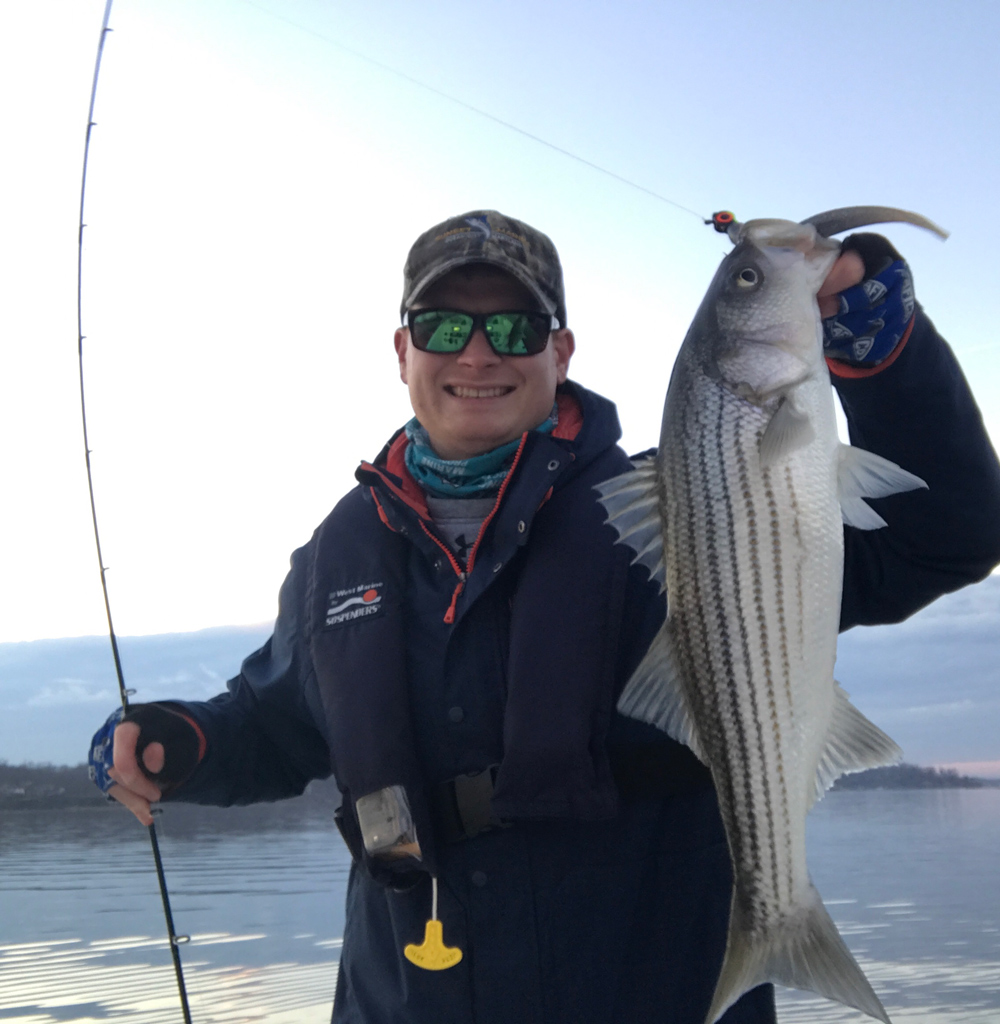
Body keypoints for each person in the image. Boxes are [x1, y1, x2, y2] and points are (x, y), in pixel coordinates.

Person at [89, 210, 1000, 1024]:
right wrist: (180, 740)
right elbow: (279, 726)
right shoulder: (340, 550)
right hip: (407, 990)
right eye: (443, 325)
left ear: (560, 353)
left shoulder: (685, 505)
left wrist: (887, 362)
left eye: (513, 327)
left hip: (648, 984)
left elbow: (947, 536)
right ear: (402, 354)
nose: (477, 353)